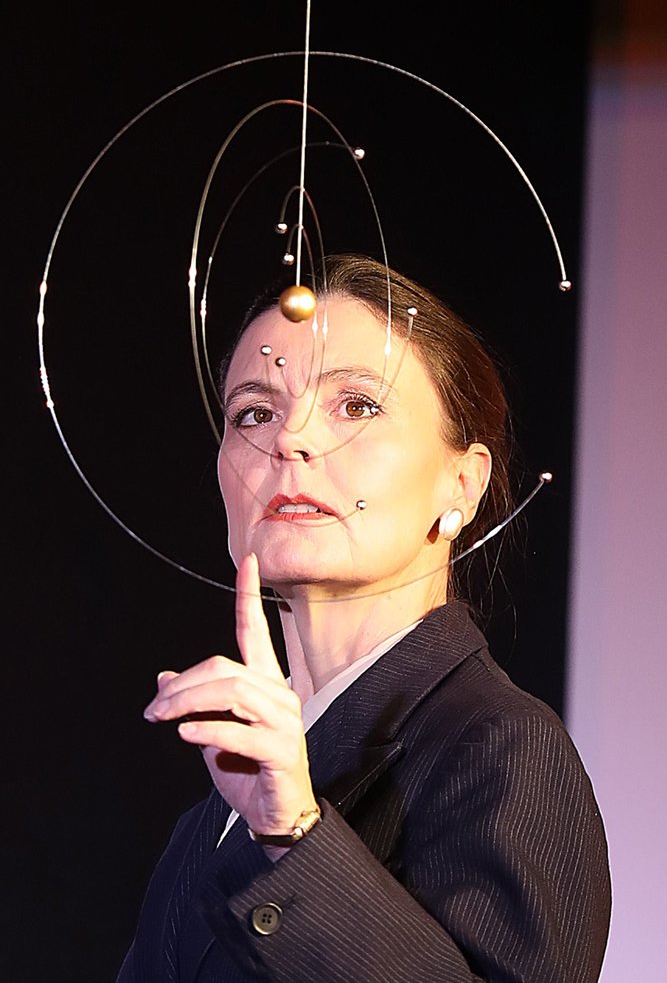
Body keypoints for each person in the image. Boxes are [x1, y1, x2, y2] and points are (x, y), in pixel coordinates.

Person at [119, 255, 611, 982]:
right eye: (254, 413)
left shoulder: (500, 747)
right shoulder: (209, 818)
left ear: (461, 483)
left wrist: (295, 835)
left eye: (356, 405)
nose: (290, 439)